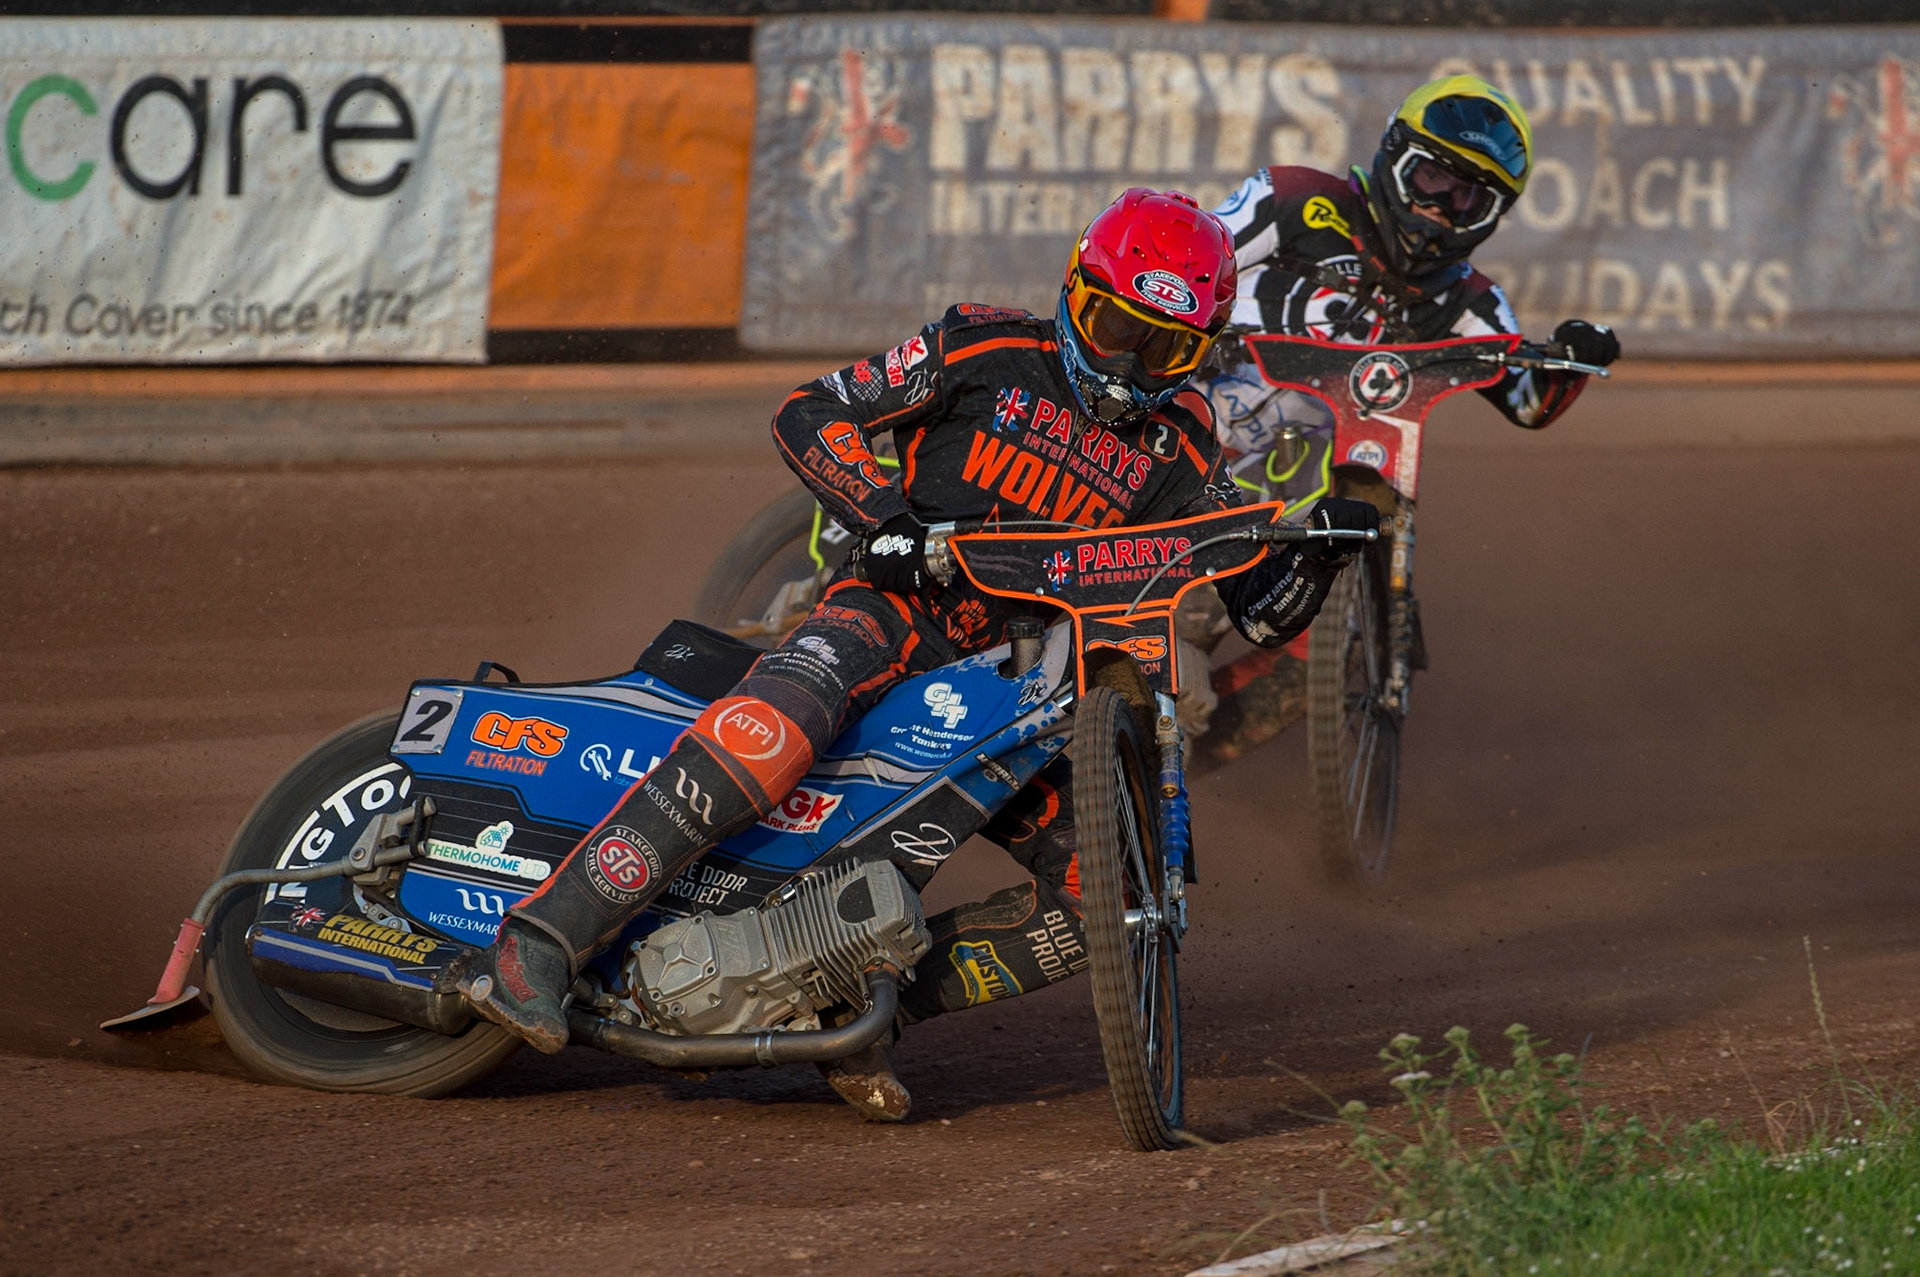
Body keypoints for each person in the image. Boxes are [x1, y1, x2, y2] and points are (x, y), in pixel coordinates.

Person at [454, 188, 1376, 1121]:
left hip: (1021, 690)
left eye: (1164, 348)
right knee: (781, 724)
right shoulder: (980, 346)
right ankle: (540, 938)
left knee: (1113, 890)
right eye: (1112, 329)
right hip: (889, 615)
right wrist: (885, 519)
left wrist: (1326, 548)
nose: (1127, 366)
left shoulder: (1186, 444)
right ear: (1073, 292)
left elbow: (1255, 617)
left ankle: (862, 1014)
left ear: (1203, 350)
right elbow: (812, 411)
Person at [1193, 75, 1622, 762]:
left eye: (1468, 197)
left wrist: (1572, 358)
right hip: (1198, 420)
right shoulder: (1294, 200)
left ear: (1492, 213)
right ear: (1395, 156)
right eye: (1431, 179)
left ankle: (1160, 770)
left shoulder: (1471, 302)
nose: (1443, 207)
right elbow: (1192, 253)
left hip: (1337, 478)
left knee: (1317, 669)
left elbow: (1527, 402)